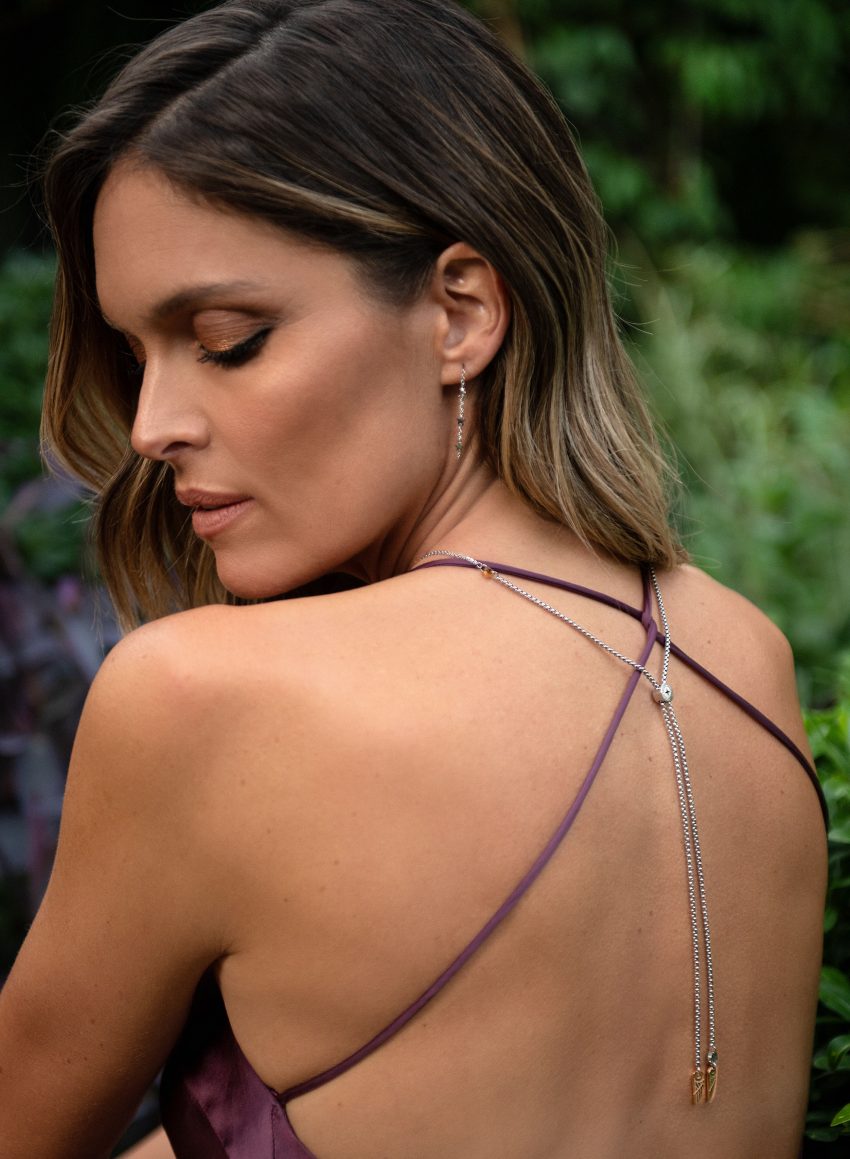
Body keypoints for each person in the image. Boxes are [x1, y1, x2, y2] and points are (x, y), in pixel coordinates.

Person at [0, 1, 828, 1156]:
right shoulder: (743, 655)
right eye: (136, 355)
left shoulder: (198, 700)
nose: (150, 425)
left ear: (459, 313)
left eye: (228, 339)